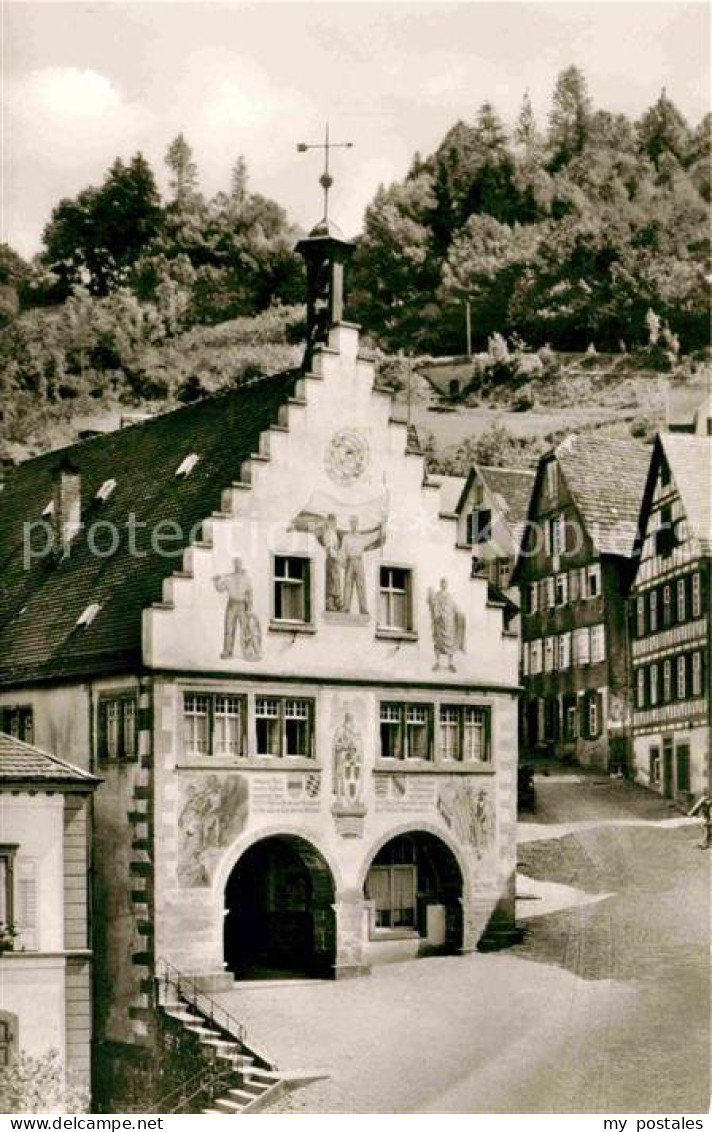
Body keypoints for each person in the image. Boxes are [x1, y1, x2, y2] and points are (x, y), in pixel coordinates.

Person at [213, 557, 261, 660]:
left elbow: (250, 593)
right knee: (229, 628)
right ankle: (227, 651)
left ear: (241, 565)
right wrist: (216, 582)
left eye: (239, 563)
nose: (237, 565)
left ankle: (249, 652)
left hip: (243, 604)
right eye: (236, 563)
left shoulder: (246, 578)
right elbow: (220, 589)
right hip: (232, 604)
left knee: (246, 629)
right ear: (234, 565)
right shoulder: (228, 578)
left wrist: (249, 608)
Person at [341, 514, 386, 615]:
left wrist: (382, 526)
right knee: (348, 584)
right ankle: (346, 607)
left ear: (357, 524)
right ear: (349, 524)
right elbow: (343, 550)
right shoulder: (346, 537)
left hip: (359, 561)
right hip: (350, 561)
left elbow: (373, 537)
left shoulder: (361, 537)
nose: (353, 524)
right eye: (351, 522)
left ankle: (363, 608)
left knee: (361, 584)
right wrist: (343, 561)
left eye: (355, 522)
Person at [427, 578, 466, 671]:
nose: (444, 585)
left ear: (446, 585)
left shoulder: (449, 596)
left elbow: (454, 606)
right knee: (438, 642)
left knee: (450, 643)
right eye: (442, 583)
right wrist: (437, 615)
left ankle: (450, 663)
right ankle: (437, 662)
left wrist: (459, 613)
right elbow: (435, 606)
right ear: (441, 584)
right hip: (440, 623)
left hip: (449, 623)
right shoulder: (437, 595)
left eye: (445, 583)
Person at [332, 710, 363, 809]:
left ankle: (355, 800)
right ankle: (340, 801)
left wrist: (356, 750)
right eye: (348, 718)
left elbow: (360, 745)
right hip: (342, 759)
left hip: (353, 760)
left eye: (352, 718)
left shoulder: (357, 730)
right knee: (340, 777)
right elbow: (336, 745)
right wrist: (345, 746)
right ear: (345, 719)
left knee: (355, 779)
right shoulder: (340, 730)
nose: (350, 720)